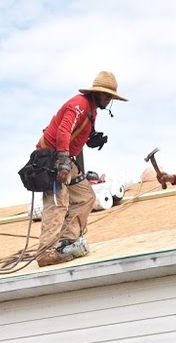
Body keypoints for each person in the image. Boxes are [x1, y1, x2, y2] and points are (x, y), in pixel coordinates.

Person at [35, 71, 127, 267]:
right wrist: (62, 161)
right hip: (52, 157)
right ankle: (45, 252)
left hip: (65, 157)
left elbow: (75, 133)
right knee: (57, 203)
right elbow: (64, 130)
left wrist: (91, 138)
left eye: (111, 96)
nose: (108, 99)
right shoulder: (80, 105)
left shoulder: (91, 110)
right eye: (106, 95)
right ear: (96, 93)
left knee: (86, 197)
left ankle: (66, 242)